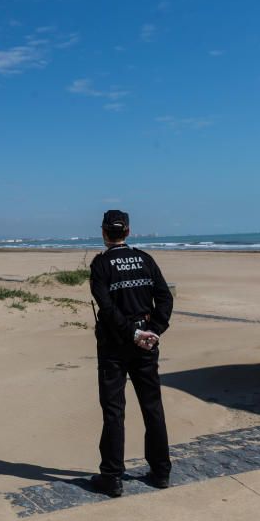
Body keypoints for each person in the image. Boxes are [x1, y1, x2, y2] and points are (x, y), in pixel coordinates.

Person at [89, 209, 174, 497]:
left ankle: (112, 477)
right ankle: (161, 472)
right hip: (144, 343)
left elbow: (108, 309)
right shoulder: (145, 259)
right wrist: (153, 330)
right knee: (152, 407)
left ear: (104, 232)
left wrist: (143, 333)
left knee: (114, 411)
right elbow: (164, 297)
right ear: (127, 231)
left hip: (117, 345)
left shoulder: (101, 265)